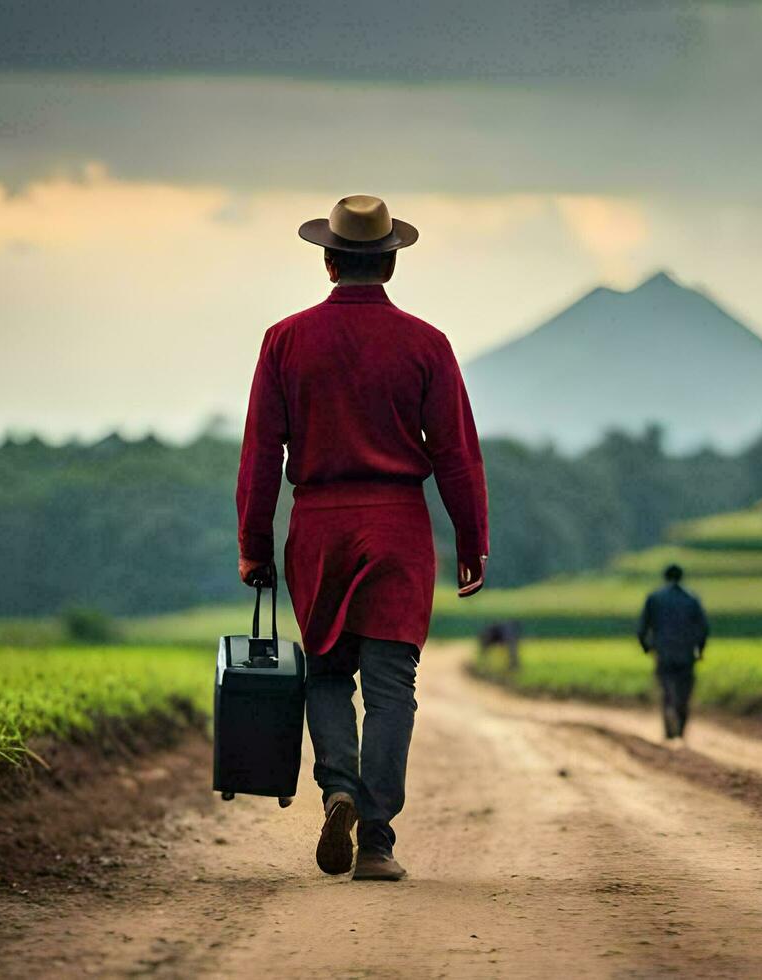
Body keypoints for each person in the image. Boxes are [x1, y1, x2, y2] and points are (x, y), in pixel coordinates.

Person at [236, 195, 488, 882]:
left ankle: (338, 787)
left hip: (318, 528)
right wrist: (472, 542)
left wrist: (255, 543)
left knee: (325, 672)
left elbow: (262, 451)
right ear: (391, 262)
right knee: (390, 687)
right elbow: (457, 455)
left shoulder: (285, 340)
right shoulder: (427, 344)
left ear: (327, 261)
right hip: (400, 528)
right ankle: (376, 838)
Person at [636, 564, 708, 742]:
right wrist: (700, 649)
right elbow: (703, 627)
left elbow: (642, 628)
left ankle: (669, 724)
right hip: (686, 652)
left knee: (667, 688)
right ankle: (681, 728)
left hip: (663, 651)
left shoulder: (654, 598)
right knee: (684, 691)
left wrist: (646, 647)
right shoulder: (691, 599)